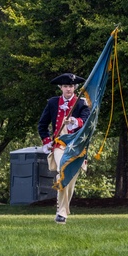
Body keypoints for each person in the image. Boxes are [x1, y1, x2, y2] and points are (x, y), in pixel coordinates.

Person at [38, 73, 92, 224]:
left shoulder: (82, 103)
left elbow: (87, 122)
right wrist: (47, 141)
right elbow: (42, 125)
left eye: (71, 86)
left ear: (75, 87)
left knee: (70, 181)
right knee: (63, 172)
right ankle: (62, 212)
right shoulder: (53, 103)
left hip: (76, 147)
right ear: (60, 87)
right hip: (59, 145)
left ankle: (63, 209)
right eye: (66, 86)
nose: (69, 89)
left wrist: (75, 121)